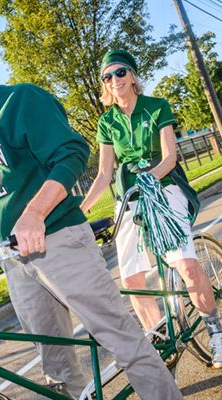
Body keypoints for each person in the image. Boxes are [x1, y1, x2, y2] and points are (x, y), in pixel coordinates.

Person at [0, 29, 184, 400]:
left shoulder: (23, 100)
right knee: (55, 365)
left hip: (57, 239)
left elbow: (71, 153)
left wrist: (34, 213)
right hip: (11, 256)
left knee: (121, 339)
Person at [81, 49, 222, 369]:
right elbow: (104, 174)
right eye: (107, 76)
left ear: (131, 76)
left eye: (120, 73)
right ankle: (160, 339)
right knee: (133, 280)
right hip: (128, 201)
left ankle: (215, 330)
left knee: (186, 267)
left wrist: (148, 180)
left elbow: (170, 157)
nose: (114, 80)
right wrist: (82, 209)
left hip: (164, 189)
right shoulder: (107, 122)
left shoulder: (156, 107)